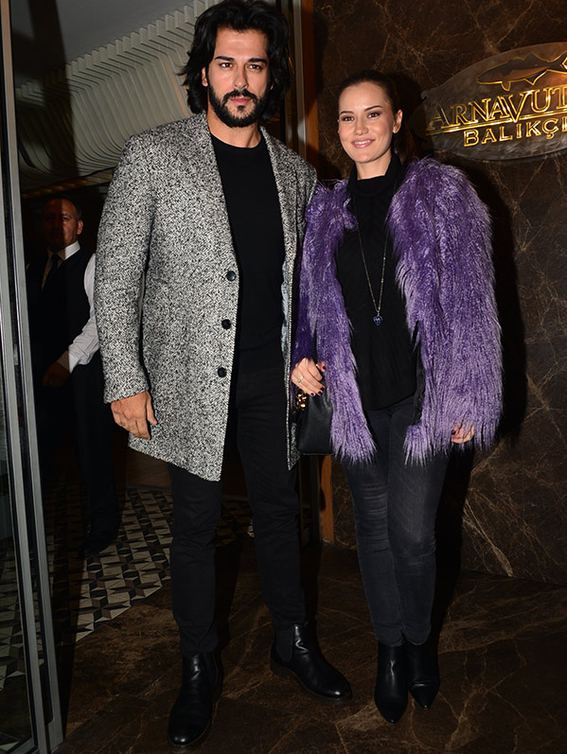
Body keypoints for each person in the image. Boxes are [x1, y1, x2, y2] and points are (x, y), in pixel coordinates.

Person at [95, 1, 351, 749]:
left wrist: (310, 354)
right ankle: (198, 664)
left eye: (255, 65)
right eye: (226, 63)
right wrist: (124, 376)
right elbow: (116, 275)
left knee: (279, 513)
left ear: (271, 77)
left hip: (272, 378)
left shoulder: (295, 172)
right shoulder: (152, 155)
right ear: (203, 72)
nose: (240, 79)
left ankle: (292, 640)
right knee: (196, 525)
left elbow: (306, 284)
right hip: (184, 380)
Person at [292, 70, 502, 724]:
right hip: (353, 399)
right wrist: (300, 357)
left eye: (371, 114)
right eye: (346, 118)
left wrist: (469, 392)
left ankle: (418, 642)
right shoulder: (324, 208)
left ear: (396, 120)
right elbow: (307, 301)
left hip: (421, 396)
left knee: (412, 535)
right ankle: (388, 649)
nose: (358, 129)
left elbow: (472, 300)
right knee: (374, 534)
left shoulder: (441, 193)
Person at [27, 197, 118, 555]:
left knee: (92, 452)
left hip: (82, 377)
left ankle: (103, 526)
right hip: (42, 378)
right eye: (49, 218)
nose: (55, 224)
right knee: (48, 452)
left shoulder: (92, 263)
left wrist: (66, 362)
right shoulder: (35, 267)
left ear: (79, 226)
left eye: (63, 218)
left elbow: (99, 322)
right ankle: (53, 526)